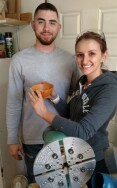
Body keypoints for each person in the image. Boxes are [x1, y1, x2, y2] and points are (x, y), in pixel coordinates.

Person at [28, 31, 117, 187]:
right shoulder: (82, 81)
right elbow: (71, 115)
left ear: (104, 55)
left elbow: (83, 131)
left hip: (94, 159)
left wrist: (44, 113)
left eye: (92, 54)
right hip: (74, 154)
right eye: (79, 55)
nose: (84, 61)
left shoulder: (109, 90)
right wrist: (54, 97)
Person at [6, 2, 80, 184]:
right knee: (38, 184)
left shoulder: (71, 60)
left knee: (64, 184)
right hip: (33, 140)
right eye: (41, 21)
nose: (47, 28)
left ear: (59, 27)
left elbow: (76, 101)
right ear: (33, 25)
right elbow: (14, 102)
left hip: (64, 137)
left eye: (52, 22)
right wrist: (12, 139)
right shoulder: (19, 60)